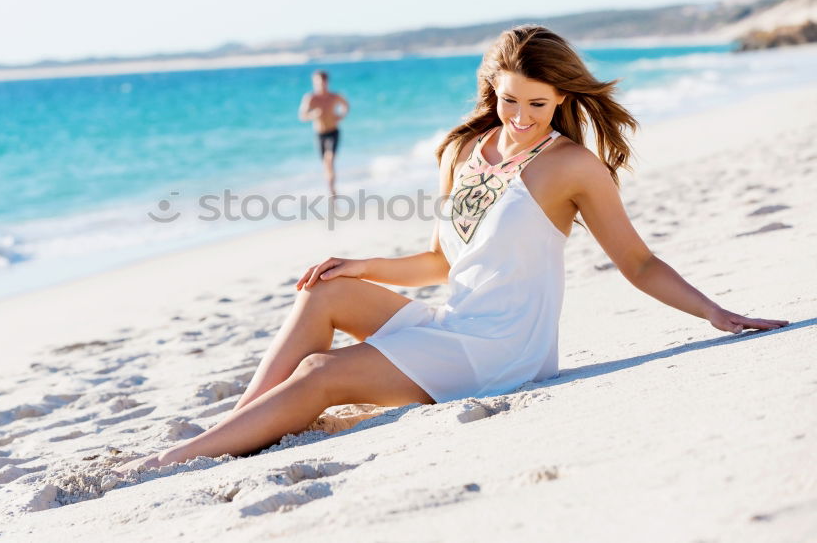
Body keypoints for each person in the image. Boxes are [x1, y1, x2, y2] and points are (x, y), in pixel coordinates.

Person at [114, 25, 788, 475]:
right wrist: (363, 267)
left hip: (503, 350)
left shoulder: (573, 167)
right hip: (453, 323)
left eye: (537, 104)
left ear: (561, 100)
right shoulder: (469, 150)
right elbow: (440, 262)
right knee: (327, 291)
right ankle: (235, 429)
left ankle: (179, 459)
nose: (519, 117)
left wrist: (715, 313)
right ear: (491, 89)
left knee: (321, 370)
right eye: (507, 100)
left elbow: (638, 263)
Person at [298, 70, 349, 196]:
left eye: (322, 82)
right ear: (314, 83)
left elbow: (346, 105)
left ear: (327, 82)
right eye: (317, 83)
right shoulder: (310, 98)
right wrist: (313, 115)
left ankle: (332, 190)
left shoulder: (334, 96)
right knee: (326, 164)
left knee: (329, 159)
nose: (320, 85)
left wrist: (341, 116)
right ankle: (330, 187)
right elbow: (302, 116)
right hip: (320, 134)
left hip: (333, 132)